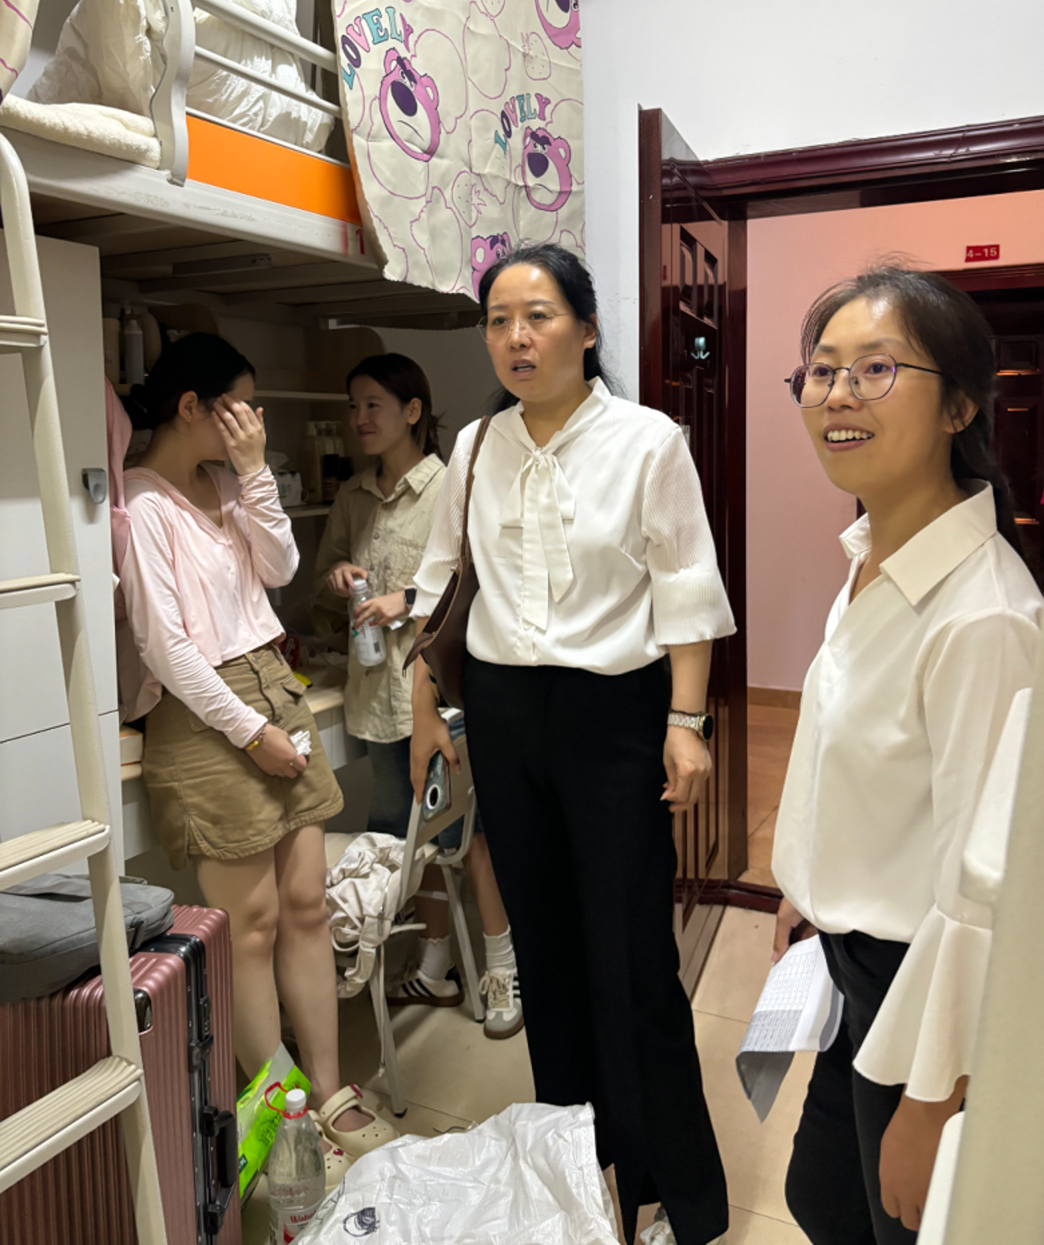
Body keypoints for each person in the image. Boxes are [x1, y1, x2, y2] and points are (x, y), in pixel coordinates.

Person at [409, 243, 735, 1245]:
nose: (517, 337)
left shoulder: (647, 442)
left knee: (631, 957)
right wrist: (430, 711)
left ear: (587, 330)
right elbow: (439, 580)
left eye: (539, 315)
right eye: (498, 320)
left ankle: (674, 1191)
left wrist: (686, 724)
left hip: (615, 718)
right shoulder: (475, 446)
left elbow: (685, 586)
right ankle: (580, 1175)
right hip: (505, 716)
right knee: (546, 953)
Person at [771, 267, 1043, 1243]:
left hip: (921, 998)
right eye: (822, 371)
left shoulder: (985, 618)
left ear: (960, 405)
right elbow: (858, 757)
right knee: (820, 1198)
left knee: (899, 1222)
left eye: (876, 369)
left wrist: (933, 1102)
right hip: (853, 964)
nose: (838, 395)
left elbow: (988, 895)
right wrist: (809, 885)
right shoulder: (873, 556)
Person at [119, 333, 396, 1184]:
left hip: (274, 683)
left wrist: (254, 474)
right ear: (192, 407)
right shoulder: (141, 504)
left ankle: (330, 1088)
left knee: (306, 905)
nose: (254, 420)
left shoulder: (231, 483)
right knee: (251, 927)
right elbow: (166, 648)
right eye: (240, 406)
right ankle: (285, 1114)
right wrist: (249, 731)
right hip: (206, 713)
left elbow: (279, 567)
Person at [314, 352, 521, 1039]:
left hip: (439, 695)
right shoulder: (351, 496)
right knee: (407, 844)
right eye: (352, 406)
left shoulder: (447, 484)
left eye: (373, 404)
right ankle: (435, 965)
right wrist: (338, 577)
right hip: (374, 699)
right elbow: (324, 574)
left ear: (412, 412)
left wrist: (407, 598)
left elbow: (476, 579)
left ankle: (502, 968)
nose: (359, 419)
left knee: (470, 836)